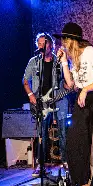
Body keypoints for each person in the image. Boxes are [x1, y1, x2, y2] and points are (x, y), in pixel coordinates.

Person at [54, 22, 93, 186]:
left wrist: (86, 89)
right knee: (76, 142)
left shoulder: (90, 52)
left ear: (72, 40)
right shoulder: (73, 58)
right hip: (82, 98)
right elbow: (70, 84)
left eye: (64, 39)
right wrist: (64, 62)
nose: (62, 43)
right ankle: (84, 185)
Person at [22, 33, 70, 176]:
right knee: (41, 134)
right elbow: (25, 80)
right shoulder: (34, 62)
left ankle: (66, 162)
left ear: (51, 45)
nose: (42, 45)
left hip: (59, 101)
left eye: (45, 42)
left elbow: (68, 82)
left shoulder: (59, 61)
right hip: (41, 103)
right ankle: (40, 164)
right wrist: (31, 95)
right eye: (39, 43)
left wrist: (69, 86)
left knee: (63, 133)